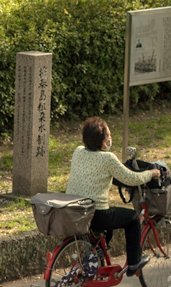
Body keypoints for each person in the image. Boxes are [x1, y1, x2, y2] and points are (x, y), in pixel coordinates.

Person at [64, 117, 160, 276]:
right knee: (133, 218)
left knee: (109, 227)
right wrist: (151, 173)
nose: (110, 139)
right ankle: (133, 264)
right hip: (97, 213)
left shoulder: (78, 151)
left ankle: (92, 259)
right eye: (108, 136)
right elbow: (131, 178)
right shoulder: (107, 158)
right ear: (102, 142)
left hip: (76, 211)